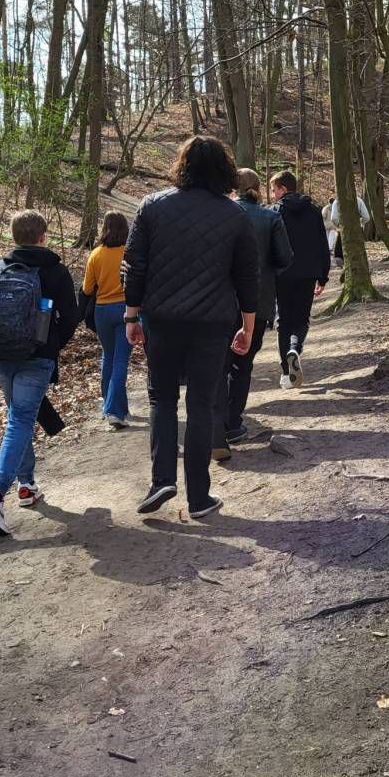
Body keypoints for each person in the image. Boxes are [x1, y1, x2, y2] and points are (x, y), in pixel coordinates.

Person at [123, 136, 259, 520]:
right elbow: (247, 278)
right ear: (224, 169)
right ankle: (199, 497)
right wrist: (247, 328)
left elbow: (134, 266)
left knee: (161, 398)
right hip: (213, 323)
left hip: (162, 319)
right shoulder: (235, 215)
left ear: (181, 165)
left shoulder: (152, 206)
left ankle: (161, 480)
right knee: (200, 402)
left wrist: (131, 316)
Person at [0, 210, 77, 536]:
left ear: (13, 236)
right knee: (20, 419)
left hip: (1, 356)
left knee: (18, 417)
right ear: (43, 236)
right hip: (37, 357)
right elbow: (71, 318)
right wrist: (51, 345)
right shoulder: (55, 271)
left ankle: (27, 484)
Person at [212, 168, 292, 459]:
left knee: (219, 364)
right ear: (258, 188)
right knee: (243, 364)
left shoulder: (219, 213)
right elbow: (285, 257)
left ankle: (218, 426)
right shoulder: (270, 218)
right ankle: (233, 423)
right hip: (258, 300)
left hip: (219, 301)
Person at [269, 170, 330, 390]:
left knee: (283, 320)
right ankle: (295, 348)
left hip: (282, 274)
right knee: (301, 319)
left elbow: (269, 246)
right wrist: (323, 275)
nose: (272, 194)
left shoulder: (274, 212)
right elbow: (322, 244)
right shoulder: (313, 211)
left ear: (283, 189)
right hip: (308, 274)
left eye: (274, 190)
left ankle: (286, 373)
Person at [82, 211, 131, 428]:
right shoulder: (129, 253)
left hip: (101, 310)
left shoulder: (96, 254)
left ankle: (111, 405)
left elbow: (87, 289)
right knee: (120, 360)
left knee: (108, 357)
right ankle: (114, 411)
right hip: (125, 309)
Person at [331, 193, 371, 265]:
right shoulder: (358, 200)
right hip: (357, 229)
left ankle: (342, 265)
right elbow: (366, 217)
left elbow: (333, 218)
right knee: (357, 249)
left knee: (340, 251)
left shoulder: (337, 201)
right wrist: (360, 223)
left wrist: (339, 225)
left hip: (343, 229)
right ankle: (358, 264)